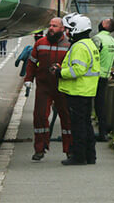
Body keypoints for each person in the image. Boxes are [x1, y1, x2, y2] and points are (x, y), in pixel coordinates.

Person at [51, 13, 100, 166]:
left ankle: (79, 157)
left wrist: (60, 72)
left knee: (78, 126)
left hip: (77, 91)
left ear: (76, 29)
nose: (66, 32)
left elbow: (77, 70)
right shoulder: (90, 44)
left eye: (68, 29)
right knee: (86, 125)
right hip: (87, 90)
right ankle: (90, 156)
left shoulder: (79, 46)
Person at [25, 18, 72, 161]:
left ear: (63, 28)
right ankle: (40, 149)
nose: (51, 28)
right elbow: (32, 63)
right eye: (50, 25)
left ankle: (69, 149)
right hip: (43, 86)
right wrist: (28, 79)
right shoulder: (40, 44)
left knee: (67, 119)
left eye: (55, 26)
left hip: (62, 87)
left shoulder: (70, 45)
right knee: (39, 117)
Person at [92, 18, 114, 141]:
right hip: (105, 76)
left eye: (103, 21)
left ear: (104, 25)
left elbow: (91, 56)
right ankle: (103, 132)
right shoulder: (113, 41)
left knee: (86, 104)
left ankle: (87, 132)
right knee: (100, 105)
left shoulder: (98, 38)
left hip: (94, 75)